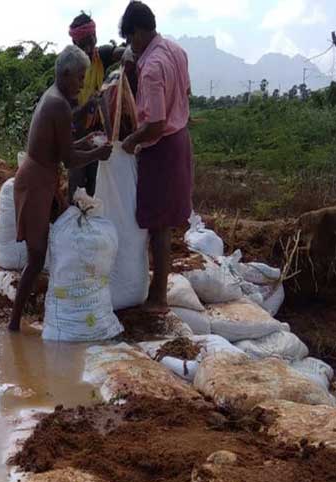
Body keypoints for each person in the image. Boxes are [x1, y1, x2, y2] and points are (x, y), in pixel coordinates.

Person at [8, 45, 113, 332]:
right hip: (36, 183)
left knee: (52, 246)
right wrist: (97, 154)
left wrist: (88, 140)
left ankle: (41, 312)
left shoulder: (53, 98)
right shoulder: (59, 105)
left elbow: (61, 150)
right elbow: (68, 159)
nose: (82, 83)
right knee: (36, 257)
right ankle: (14, 325)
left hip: (41, 178)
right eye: (80, 77)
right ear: (66, 74)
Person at [119, 1, 193, 311]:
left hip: (161, 146)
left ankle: (158, 296)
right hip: (180, 140)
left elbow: (156, 124)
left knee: (159, 224)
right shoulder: (176, 50)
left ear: (137, 32)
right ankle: (156, 287)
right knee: (164, 221)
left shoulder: (150, 68)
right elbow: (186, 92)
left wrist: (129, 142)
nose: (130, 46)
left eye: (129, 38)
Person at [68, 12, 125, 197]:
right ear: (75, 44)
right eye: (83, 44)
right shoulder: (68, 67)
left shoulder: (102, 55)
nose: (89, 47)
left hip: (97, 131)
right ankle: (74, 221)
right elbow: (67, 113)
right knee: (76, 184)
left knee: (94, 181)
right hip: (76, 132)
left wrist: (129, 52)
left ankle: (90, 221)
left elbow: (121, 54)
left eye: (92, 41)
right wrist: (88, 106)